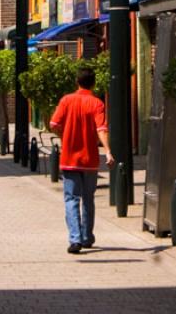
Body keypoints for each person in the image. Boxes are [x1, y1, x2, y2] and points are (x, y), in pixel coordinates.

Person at [50, 66, 114, 254]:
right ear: (93, 84)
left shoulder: (66, 101)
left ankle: (75, 239)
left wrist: (65, 137)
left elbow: (54, 124)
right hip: (90, 160)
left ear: (77, 82)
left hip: (69, 157)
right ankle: (87, 237)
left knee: (71, 198)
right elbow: (101, 129)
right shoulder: (97, 104)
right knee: (88, 199)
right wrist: (108, 151)